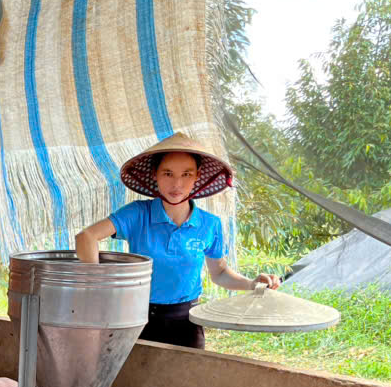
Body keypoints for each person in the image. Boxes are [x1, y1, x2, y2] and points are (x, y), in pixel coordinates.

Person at [74, 133, 278, 349]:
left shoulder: (210, 224)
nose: (177, 184)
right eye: (168, 173)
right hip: (136, 318)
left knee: (187, 371)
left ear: (197, 176)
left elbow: (219, 273)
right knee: (133, 371)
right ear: (155, 174)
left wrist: (251, 284)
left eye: (186, 174)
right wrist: (96, 289)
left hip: (187, 322)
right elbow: (86, 237)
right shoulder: (137, 214)